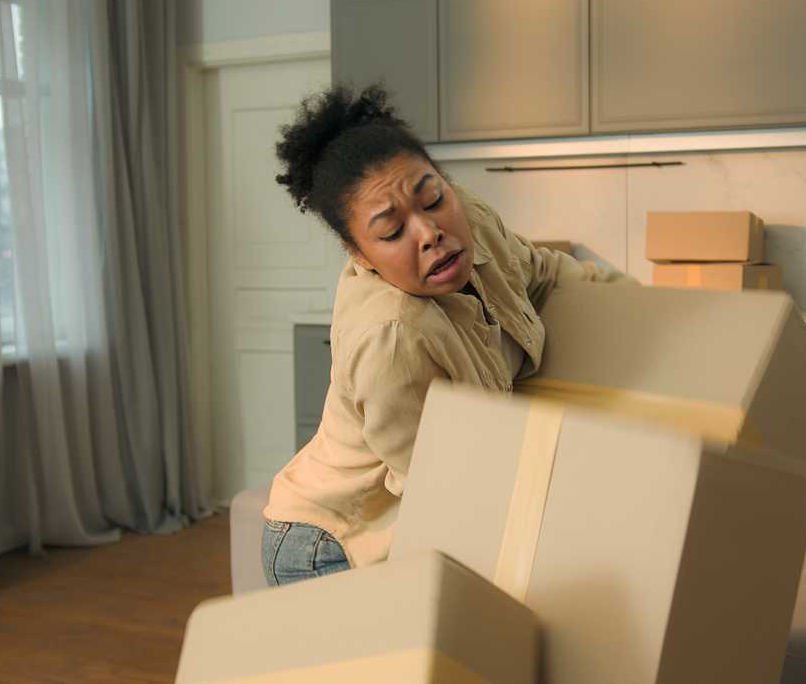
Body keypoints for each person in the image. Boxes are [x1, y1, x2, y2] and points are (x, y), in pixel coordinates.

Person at [261, 83, 622, 587]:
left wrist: (654, 307)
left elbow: (542, 274)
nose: (429, 231)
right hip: (336, 544)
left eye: (433, 198)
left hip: (416, 512)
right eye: (391, 232)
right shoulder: (391, 339)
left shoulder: (466, 219)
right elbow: (440, 489)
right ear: (359, 254)